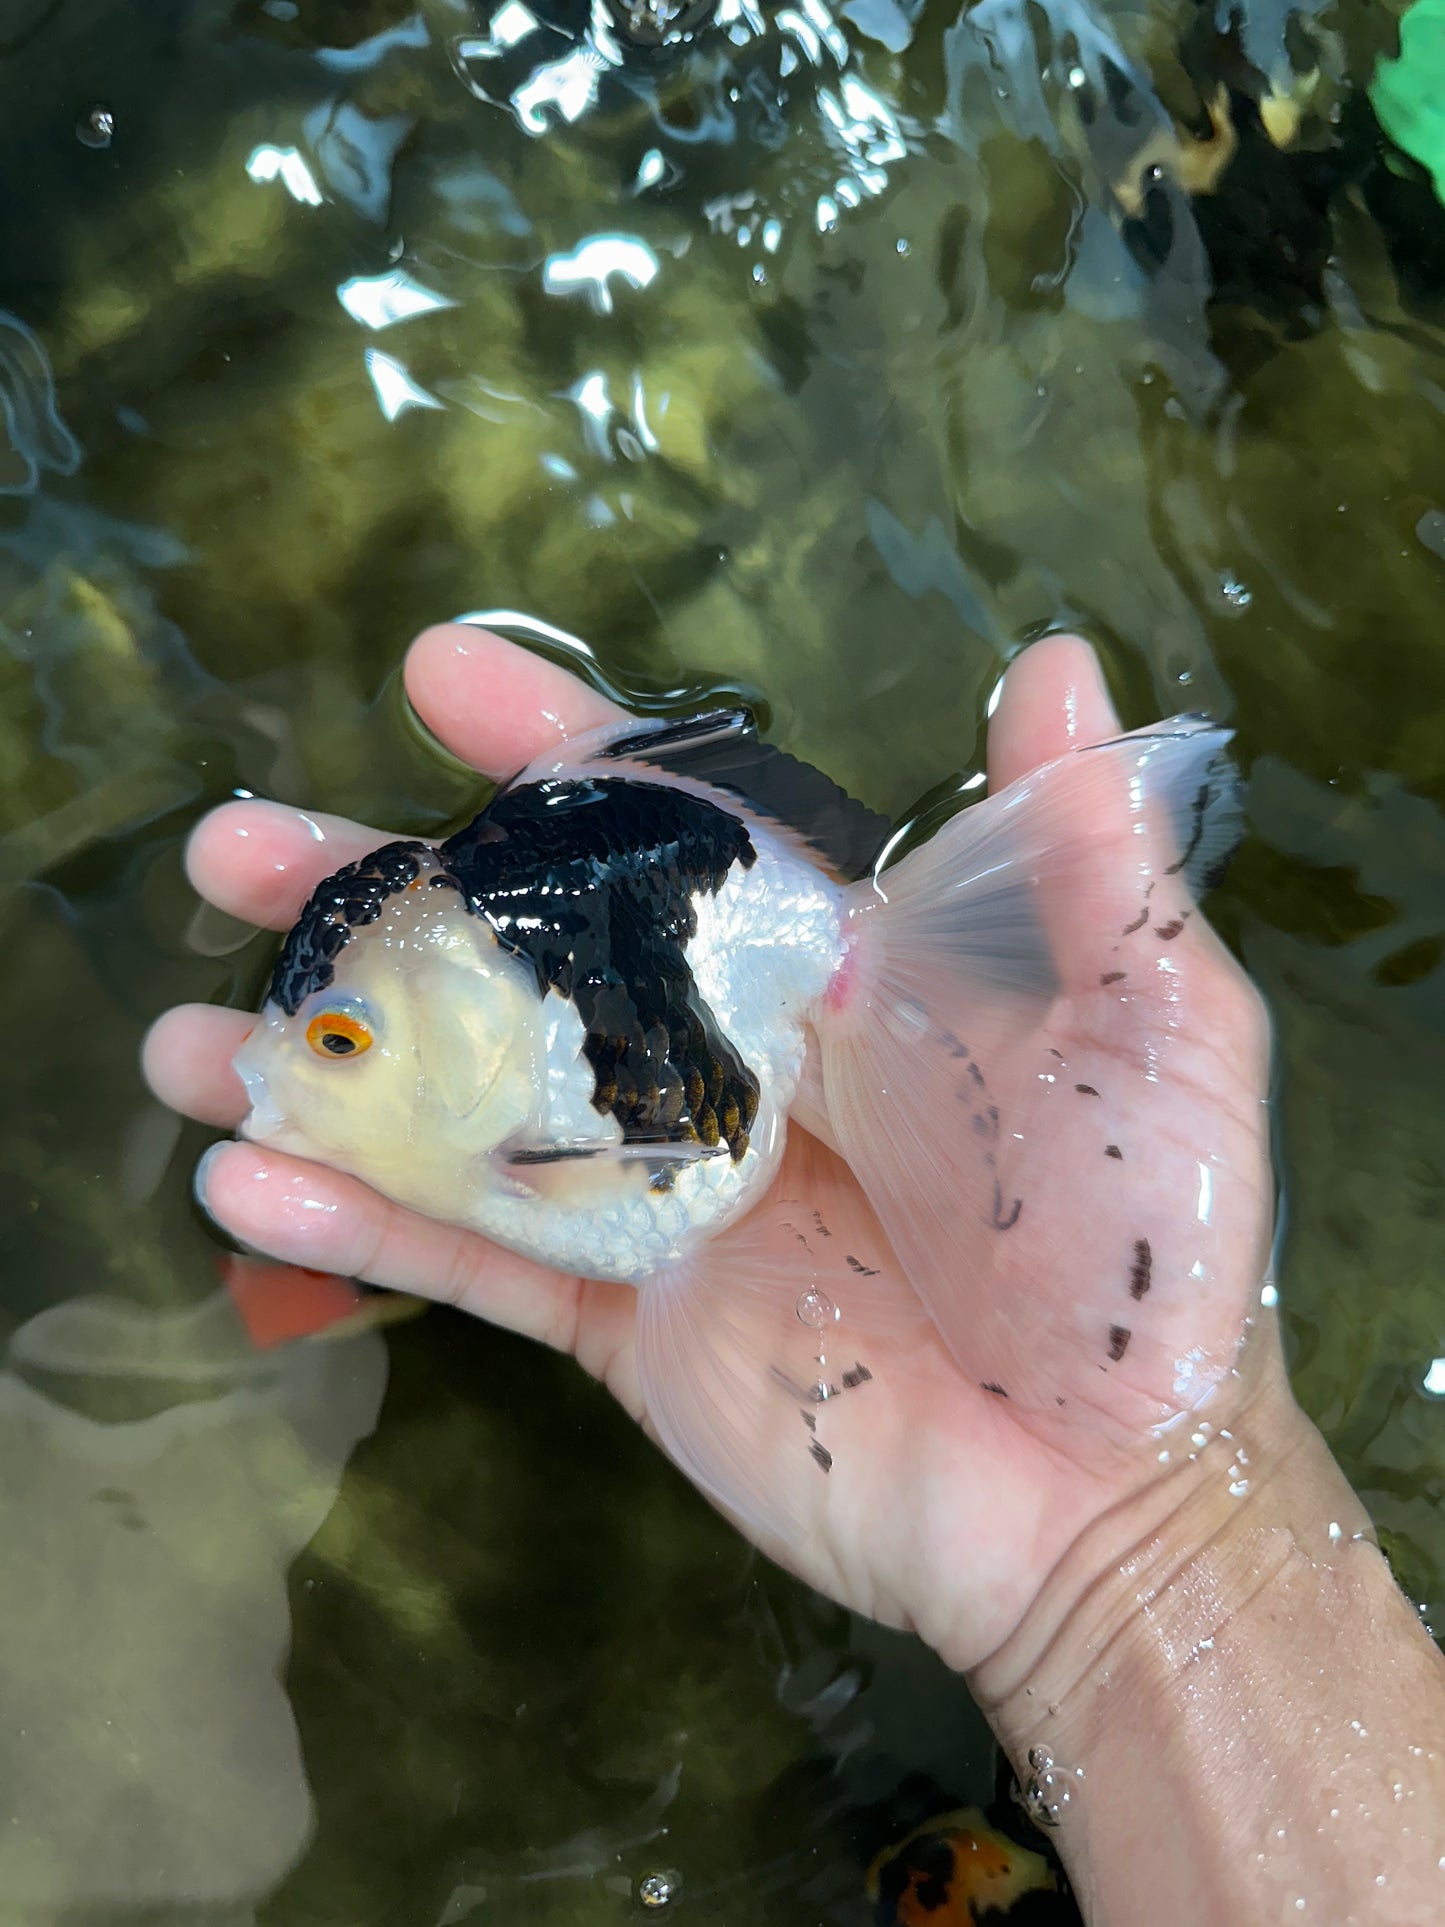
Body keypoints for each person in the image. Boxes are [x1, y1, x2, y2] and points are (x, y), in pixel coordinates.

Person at [144, 626, 1445, 1924]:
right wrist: (1155, 1541)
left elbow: (651, 1196)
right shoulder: (488, 1046)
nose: (287, 1068)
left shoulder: (613, 1047)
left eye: (335, 1039)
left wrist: (1146, 1515)